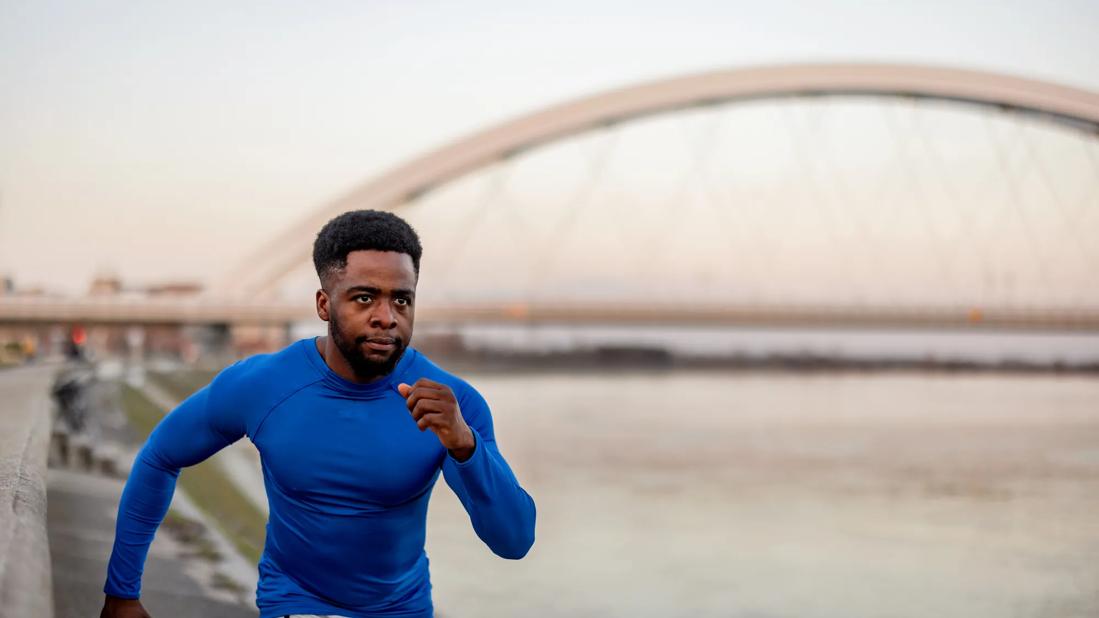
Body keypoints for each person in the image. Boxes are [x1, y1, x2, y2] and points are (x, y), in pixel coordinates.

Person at [100, 210, 537, 618]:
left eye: (402, 301)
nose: (386, 317)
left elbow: (513, 541)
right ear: (324, 305)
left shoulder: (452, 404)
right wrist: (122, 592)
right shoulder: (263, 384)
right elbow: (160, 456)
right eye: (365, 298)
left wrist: (465, 446)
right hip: (295, 602)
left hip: (404, 607)